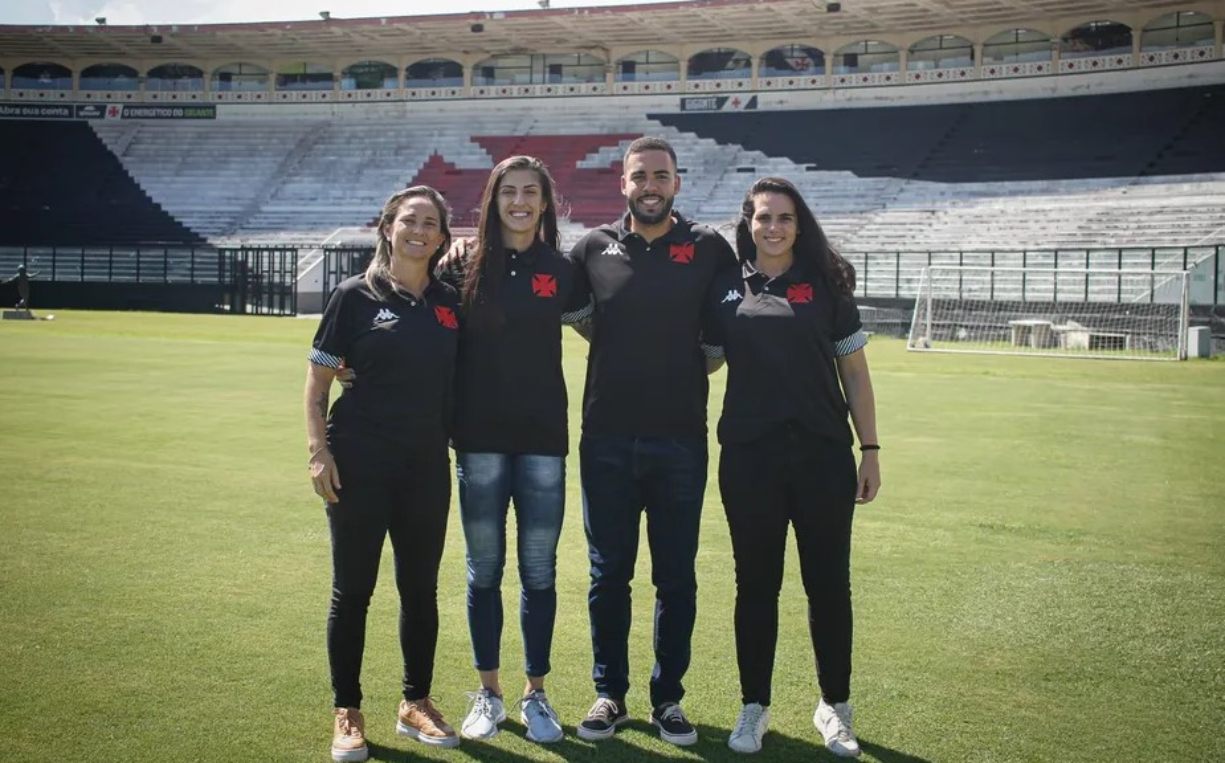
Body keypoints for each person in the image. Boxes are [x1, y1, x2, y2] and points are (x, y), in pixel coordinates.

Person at [566, 136, 737, 746]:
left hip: (680, 439)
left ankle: (669, 700)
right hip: (606, 437)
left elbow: (721, 339)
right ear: (623, 183)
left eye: (660, 175)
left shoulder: (710, 247)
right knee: (608, 573)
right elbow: (577, 318)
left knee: (676, 578)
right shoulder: (592, 247)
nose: (650, 185)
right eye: (640, 176)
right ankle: (609, 693)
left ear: (677, 183)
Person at [703, 177, 881, 756]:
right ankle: (754, 706)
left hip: (823, 457)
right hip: (749, 459)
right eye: (762, 218)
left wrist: (870, 449)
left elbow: (854, 372)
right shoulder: (725, 287)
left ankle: (836, 706)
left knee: (828, 585)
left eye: (783, 217)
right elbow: (701, 361)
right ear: (747, 224)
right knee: (755, 585)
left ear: (799, 224)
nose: (772, 227)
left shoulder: (827, 285)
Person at [304, 185, 462, 762]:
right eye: (409, 221)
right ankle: (346, 711)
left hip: (426, 466)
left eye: (431, 224)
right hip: (360, 463)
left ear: (443, 237)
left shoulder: (450, 302)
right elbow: (318, 381)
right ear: (388, 227)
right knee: (353, 592)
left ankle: (415, 702)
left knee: (420, 591)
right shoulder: (354, 296)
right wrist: (319, 451)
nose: (419, 231)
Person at [432, 155, 586, 744]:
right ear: (492, 201)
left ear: (545, 203)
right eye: (508, 192)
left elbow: (608, 329)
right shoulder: (463, 264)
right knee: (484, 571)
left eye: (530, 192)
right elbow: (424, 322)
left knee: (540, 572)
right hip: (478, 441)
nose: (519, 201)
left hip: (544, 439)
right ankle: (489, 692)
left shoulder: (564, 269)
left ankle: (536, 694)